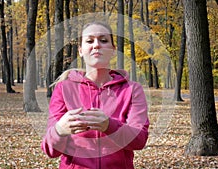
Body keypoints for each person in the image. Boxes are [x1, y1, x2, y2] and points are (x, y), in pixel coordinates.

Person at [41, 21, 149, 169]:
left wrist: (109, 126)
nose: (96, 45)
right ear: (80, 50)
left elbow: (139, 140)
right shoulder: (64, 88)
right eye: (90, 41)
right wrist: (59, 130)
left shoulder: (132, 89)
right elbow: (49, 150)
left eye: (103, 40)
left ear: (112, 49)